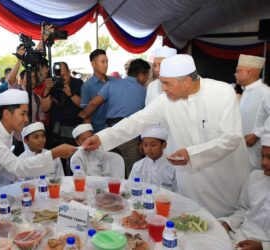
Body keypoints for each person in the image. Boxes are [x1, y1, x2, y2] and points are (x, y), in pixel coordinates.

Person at [83, 54, 250, 217]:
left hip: (223, 179)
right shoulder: (166, 100)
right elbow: (136, 121)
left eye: (167, 84)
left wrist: (192, 154)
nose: (163, 88)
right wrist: (101, 138)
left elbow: (232, 138)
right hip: (190, 183)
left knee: (225, 227)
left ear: (186, 81)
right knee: (191, 222)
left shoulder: (222, 92)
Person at [79, 58, 150, 177]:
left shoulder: (112, 83)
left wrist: (83, 115)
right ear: (141, 75)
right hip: (131, 135)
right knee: (133, 172)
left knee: (108, 170)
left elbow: (94, 103)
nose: (147, 79)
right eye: (147, 75)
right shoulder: (144, 92)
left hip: (110, 131)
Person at [219, 133, 270, 250]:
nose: (264, 162)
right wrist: (226, 224)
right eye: (262, 156)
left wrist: (262, 247)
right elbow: (243, 210)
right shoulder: (255, 177)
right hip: (237, 236)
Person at [41, 61, 83, 175]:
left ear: (69, 73)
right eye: (58, 76)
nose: (61, 79)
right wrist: (47, 90)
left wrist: (70, 93)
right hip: (56, 130)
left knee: (76, 162)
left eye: (64, 75)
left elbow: (83, 105)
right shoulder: (53, 85)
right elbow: (45, 108)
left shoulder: (78, 83)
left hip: (74, 128)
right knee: (57, 163)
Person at [235, 54, 270, 170]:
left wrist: (256, 135)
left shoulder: (265, 92)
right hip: (242, 149)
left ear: (249, 73)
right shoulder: (246, 92)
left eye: (238, 71)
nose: (235, 74)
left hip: (258, 151)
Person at [128, 126, 177, 192]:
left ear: (164, 145)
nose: (148, 149)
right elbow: (130, 188)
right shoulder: (138, 166)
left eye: (153, 145)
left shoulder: (173, 166)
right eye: (145, 145)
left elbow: (178, 193)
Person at [81, 49, 114, 132]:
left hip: (115, 128)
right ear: (93, 64)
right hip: (98, 131)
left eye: (107, 62)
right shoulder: (87, 86)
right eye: (102, 62)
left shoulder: (114, 81)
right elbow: (86, 114)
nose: (106, 65)